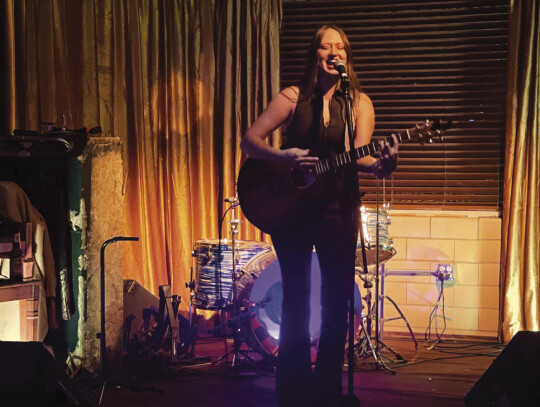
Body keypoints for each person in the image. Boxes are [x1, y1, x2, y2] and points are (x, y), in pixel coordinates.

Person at [240, 25, 399, 407]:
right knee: (296, 298)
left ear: (347, 55)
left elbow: (358, 155)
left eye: (340, 46)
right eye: (326, 46)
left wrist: (381, 167)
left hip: (337, 208)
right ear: (315, 54)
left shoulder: (358, 103)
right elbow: (250, 140)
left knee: (337, 300)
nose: (334, 52)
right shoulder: (293, 97)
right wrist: (283, 157)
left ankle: (328, 389)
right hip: (291, 210)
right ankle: (293, 391)